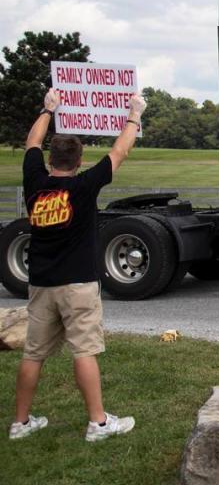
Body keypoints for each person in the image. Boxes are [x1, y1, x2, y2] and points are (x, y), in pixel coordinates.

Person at [11, 87, 146, 442]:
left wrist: (47, 109)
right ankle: (98, 423)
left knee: (33, 353)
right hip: (78, 284)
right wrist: (134, 113)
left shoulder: (34, 180)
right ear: (80, 160)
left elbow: (30, 144)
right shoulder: (85, 185)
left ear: (50, 158)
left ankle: (20, 423)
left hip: (40, 282)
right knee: (84, 351)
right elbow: (120, 151)